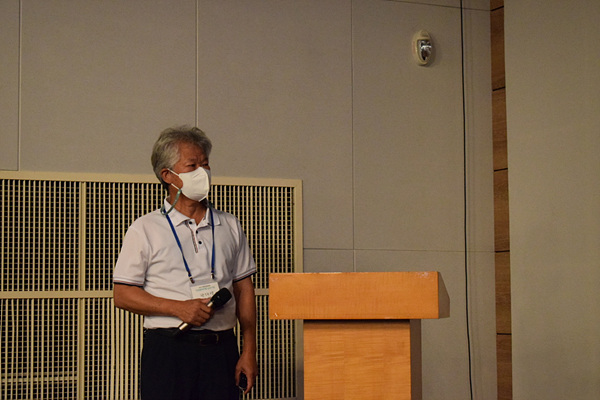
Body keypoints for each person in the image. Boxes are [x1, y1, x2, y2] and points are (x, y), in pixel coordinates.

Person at [113, 125, 258, 400]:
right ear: (167, 175)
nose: (203, 172)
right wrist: (178, 308)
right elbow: (122, 294)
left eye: (206, 164)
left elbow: (244, 289)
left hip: (222, 349)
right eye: (192, 166)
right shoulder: (145, 228)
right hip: (169, 350)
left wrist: (249, 350)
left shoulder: (229, 224)